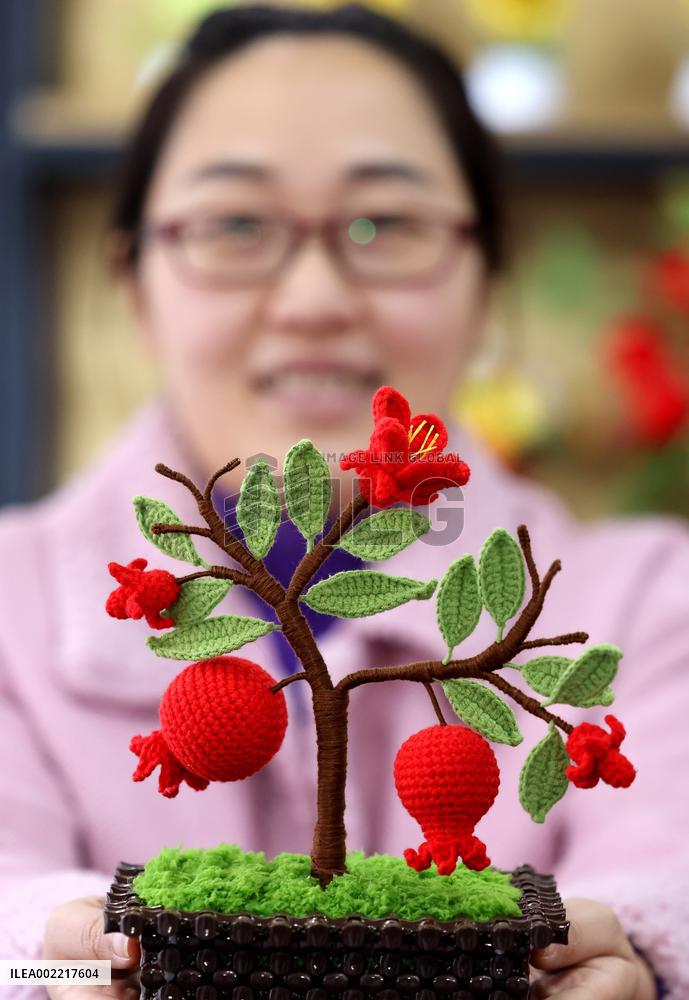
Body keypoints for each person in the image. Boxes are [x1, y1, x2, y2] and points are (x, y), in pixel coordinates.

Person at [0, 5, 686, 998]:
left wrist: (644, 961)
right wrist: (40, 962)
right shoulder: (11, 602)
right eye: (235, 223)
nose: (315, 295)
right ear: (134, 283)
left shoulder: (647, 602)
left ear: (487, 279)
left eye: (386, 223)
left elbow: (667, 879)